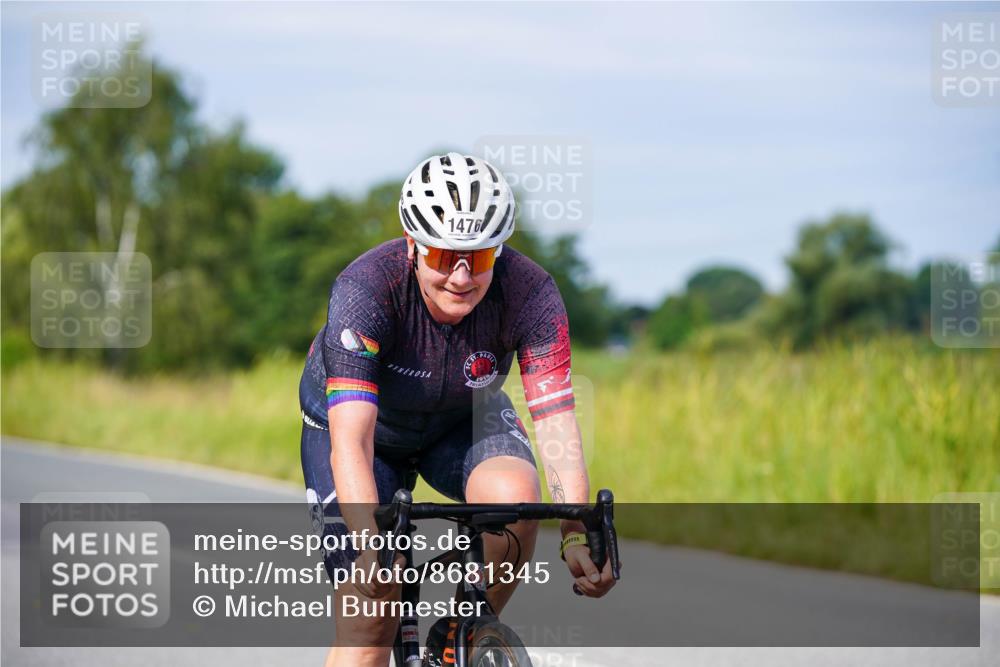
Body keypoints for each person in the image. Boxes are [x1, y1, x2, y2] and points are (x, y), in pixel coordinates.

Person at [299, 152, 615, 666]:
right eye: (445, 257)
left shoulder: (531, 293)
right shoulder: (365, 292)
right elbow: (351, 441)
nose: (463, 277)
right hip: (366, 436)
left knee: (516, 500)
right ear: (413, 247)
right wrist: (371, 548)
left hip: (460, 418)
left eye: (482, 257)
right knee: (372, 609)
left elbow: (555, 420)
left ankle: (460, 635)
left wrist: (577, 533)